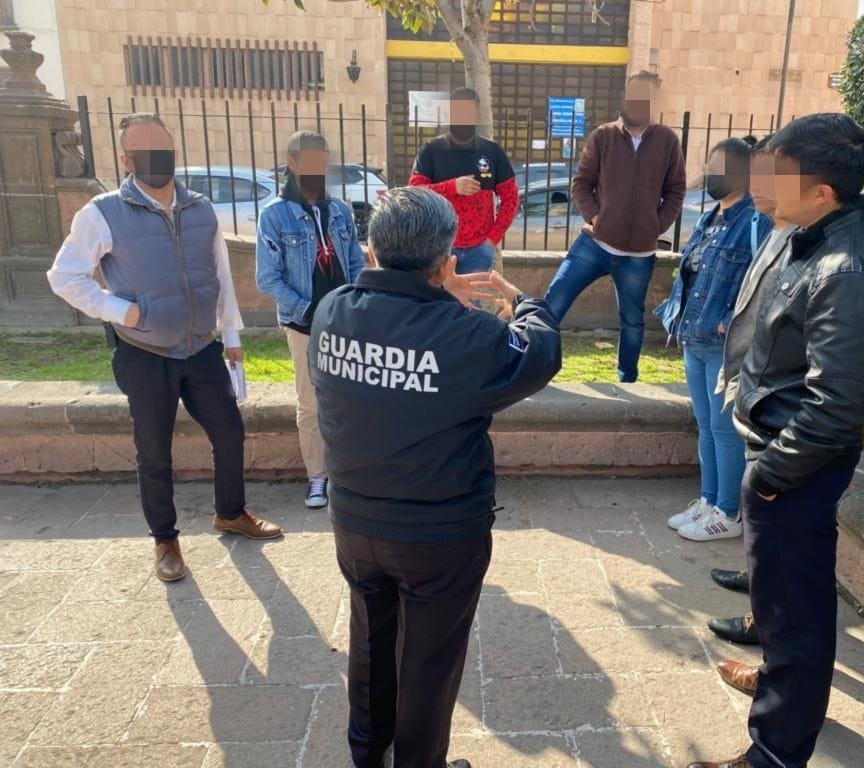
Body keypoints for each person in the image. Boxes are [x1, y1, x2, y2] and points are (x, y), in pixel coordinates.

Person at [309, 186, 561, 768]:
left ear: (371, 251)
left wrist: (433, 292)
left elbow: (397, 330)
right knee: (428, 662)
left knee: (370, 644)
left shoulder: (332, 311)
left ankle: (367, 753)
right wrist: (527, 305)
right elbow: (539, 354)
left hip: (355, 520)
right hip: (438, 534)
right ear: (448, 261)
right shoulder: (468, 336)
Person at [687, 113, 864, 768]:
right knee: (786, 600)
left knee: (794, 610)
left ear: (821, 191)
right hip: (785, 450)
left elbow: (836, 408)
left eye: (777, 174)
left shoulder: (848, 269)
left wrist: (769, 477)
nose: (764, 184)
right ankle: (786, 688)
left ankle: (776, 750)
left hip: (796, 464)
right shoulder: (816, 235)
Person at [47, 112, 283, 584]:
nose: (157, 158)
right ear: (126, 159)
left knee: (230, 433)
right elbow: (64, 277)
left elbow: (219, 274)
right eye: (144, 151)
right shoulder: (101, 213)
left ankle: (230, 513)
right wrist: (123, 311)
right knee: (154, 451)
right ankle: (165, 540)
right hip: (144, 352)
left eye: (164, 149)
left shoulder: (200, 209)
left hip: (201, 348)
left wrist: (231, 335)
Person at [706, 137, 801, 650]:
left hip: (777, 400)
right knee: (765, 529)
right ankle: (755, 575)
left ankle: (766, 621)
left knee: (780, 528)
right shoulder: (774, 229)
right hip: (754, 387)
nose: (758, 186)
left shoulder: (804, 243)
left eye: (771, 176)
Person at [658, 138, 772, 542]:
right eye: (710, 166)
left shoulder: (755, 221)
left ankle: (729, 511)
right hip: (693, 338)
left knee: (724, 431)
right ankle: (709, 500)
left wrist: (728, 322)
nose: (711, 173)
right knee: (705, 426)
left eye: (720, 167)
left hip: (724, 345)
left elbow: (763, 281)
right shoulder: (711, 218)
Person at [544, 70, 687, 382]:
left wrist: (657, 226)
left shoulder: (667, 141)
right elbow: (581, 184)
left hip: (639, 255)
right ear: (623, 97)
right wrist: (596, 218)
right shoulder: (603, 136)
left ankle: (628, 382)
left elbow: (676, 191)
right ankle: (536, 371)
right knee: (552, 305)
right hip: (594, 245)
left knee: (632, 322)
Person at [256, 130, 366, 509]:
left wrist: (353, 301)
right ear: (292, 163)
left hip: (344, 321)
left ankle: (347, 474)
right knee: (310, 404)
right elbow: (268, 278)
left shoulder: (341, 211)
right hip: (303, 325)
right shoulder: (275, 215)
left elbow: (354, 260)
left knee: (349, 398)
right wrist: (307, 309)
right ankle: (317, 477)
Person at [408, 87, 519, 274]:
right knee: (437, 294)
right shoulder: (432, 150)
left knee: (471, 294)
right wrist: (452, 187)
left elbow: (511, 198)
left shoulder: (491, 151)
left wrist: (491, 240)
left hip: (478, 251)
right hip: (438, 248)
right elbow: (415, 193)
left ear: (477, 116)